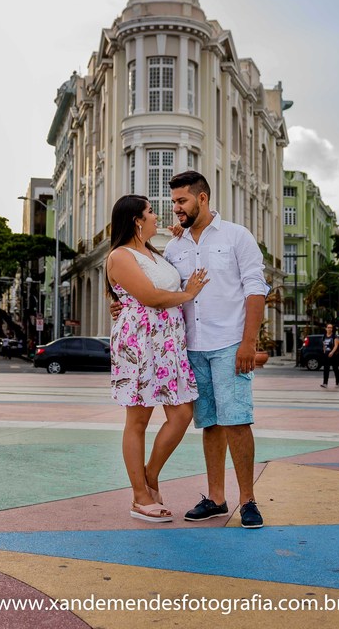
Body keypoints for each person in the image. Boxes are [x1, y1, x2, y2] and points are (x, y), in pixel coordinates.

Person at [163, 170, 270, 529]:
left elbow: (255, 289)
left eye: (181, 201)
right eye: (174, 202)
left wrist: (248, 342)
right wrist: (122, 306)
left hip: (230, 344)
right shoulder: (174, 247)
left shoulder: (237, 236)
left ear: (202, 198)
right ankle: (216, 498)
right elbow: (164, 292)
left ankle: (248, 500)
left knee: (236, 421)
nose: (176, 208)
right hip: (193, 347)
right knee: (210, 424)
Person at [106, 194, 209, 522]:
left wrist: (181, 234)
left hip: (168, 343)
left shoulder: (154, 252)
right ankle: (140, 497)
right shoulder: (120, 256)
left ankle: (149, 475)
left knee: (182, 413)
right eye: (150, 212)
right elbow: (149, 296)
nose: (156, 216)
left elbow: (163, 280)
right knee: (137, 420)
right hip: (140, 342)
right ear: (137, 220)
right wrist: (188, 294)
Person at [320, 323, 339, 389]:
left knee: (335, 369)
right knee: (326, 369)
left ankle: (337, 383)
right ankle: (325, 383)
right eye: (328, 327)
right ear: (326, 328)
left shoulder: (334, 336)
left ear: (332, 329)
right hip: (326, 355)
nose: (329, 329)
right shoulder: (324, 336)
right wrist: (324, 351)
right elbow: (324, 344)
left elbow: (336, 346)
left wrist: (332, 352)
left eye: (331, 328)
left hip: (334, 355)